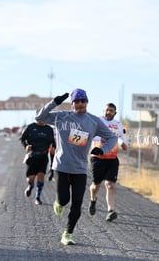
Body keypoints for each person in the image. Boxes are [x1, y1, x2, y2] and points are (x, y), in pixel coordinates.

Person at [35, 88, 117, 245]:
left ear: (87, 102)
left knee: (77, 202)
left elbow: (112, 137)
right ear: (72, 103)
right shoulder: (61, 116)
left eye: (83, 101)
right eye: (77, 101)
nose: (80, 104)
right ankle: (59, 202)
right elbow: (39, 116)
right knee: (64, 200)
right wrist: (54, 103)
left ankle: (68, 233)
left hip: (80, 167)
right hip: (61, 165)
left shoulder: (94, 121)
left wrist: (102, 149)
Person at [88, 103, 128, 222]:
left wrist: (122, 144)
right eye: (107, 110)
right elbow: (91, 135)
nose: (108, 112)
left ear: (115, 113)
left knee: (110, 185)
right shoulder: (97, 121)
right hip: (98, 158)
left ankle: (111, 211)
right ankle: (93, 200)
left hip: (112, 159)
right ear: (103, 111)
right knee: (96, 185)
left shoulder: (118, 124)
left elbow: (119, 137)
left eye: (111, 110)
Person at [19, 121, 56, 205]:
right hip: (32, 156)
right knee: (31, 178)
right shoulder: (30, 127)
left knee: (41, 175)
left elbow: (53, 142)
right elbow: (22, 139)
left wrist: (53, 147)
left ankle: (37, 197)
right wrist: (26, 146)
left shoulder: (49, 129)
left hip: (43, 156)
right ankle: (30, 186)